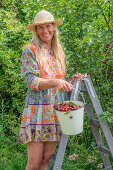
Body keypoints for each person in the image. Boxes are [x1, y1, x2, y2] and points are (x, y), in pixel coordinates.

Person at [18, 10, 87, 170]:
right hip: (36, 112)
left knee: (46, 160)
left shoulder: (58, 53)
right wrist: (55, 82)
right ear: (36, 31)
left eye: (48, 26)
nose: (45, 31)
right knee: (34, 162)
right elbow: (32, 81)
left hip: (55, 112)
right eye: (40, 28)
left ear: (54, 27)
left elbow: (58, 86)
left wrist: (71, 82)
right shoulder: (30, 50)